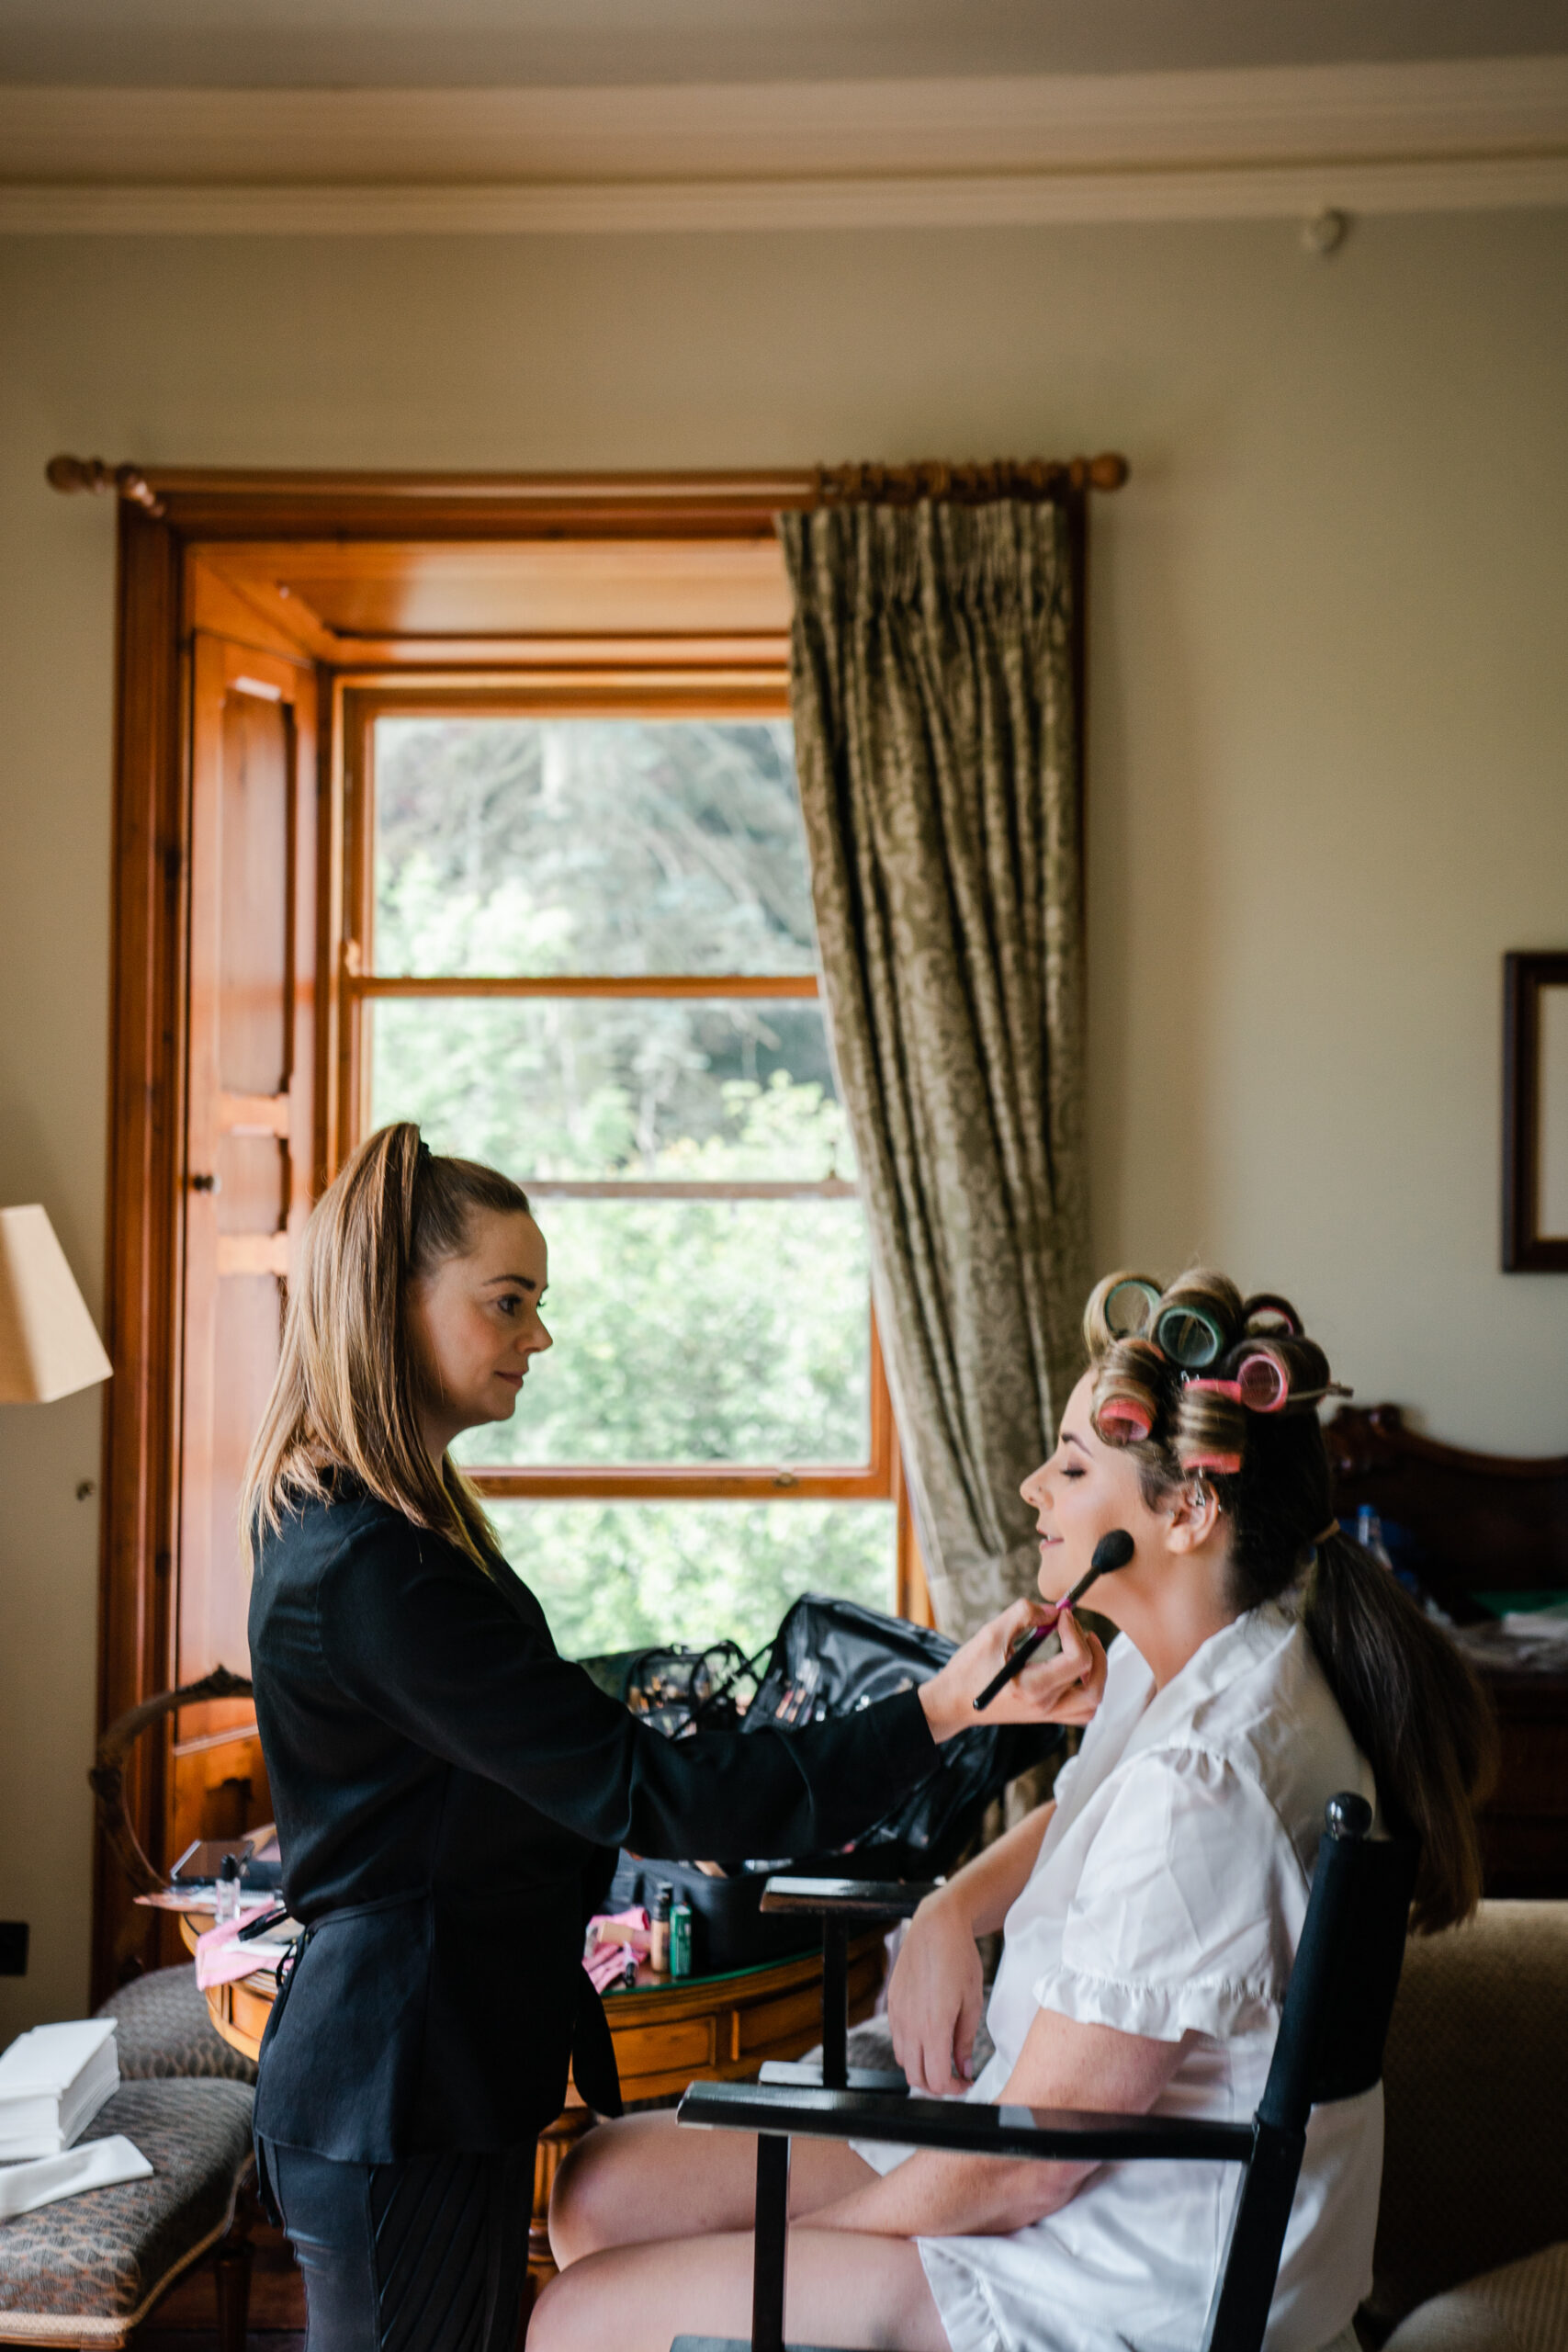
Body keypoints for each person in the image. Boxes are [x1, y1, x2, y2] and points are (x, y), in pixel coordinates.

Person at [239, 1123, 1101, 2352]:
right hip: (396, 2084)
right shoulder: (377, 1567)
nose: (538, 1335)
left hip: (426, 2072)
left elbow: (506, 1752)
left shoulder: (367, 1528)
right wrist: (938, 1710)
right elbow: (639, 1785)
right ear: (392, 1304)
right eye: (508, 1300)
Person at [539, 1268, 1495, 2352]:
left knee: (579, 2316)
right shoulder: (1207, 1663)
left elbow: (1024, 2170)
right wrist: (953, 1906)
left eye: (1074, 1464)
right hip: (1041, 2163)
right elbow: (1087, 1819)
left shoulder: (1209, 1782)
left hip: (1105, 2272)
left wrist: (816, 2247)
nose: (1036, 1487)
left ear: (1188, 1509)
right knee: (599, 2191)